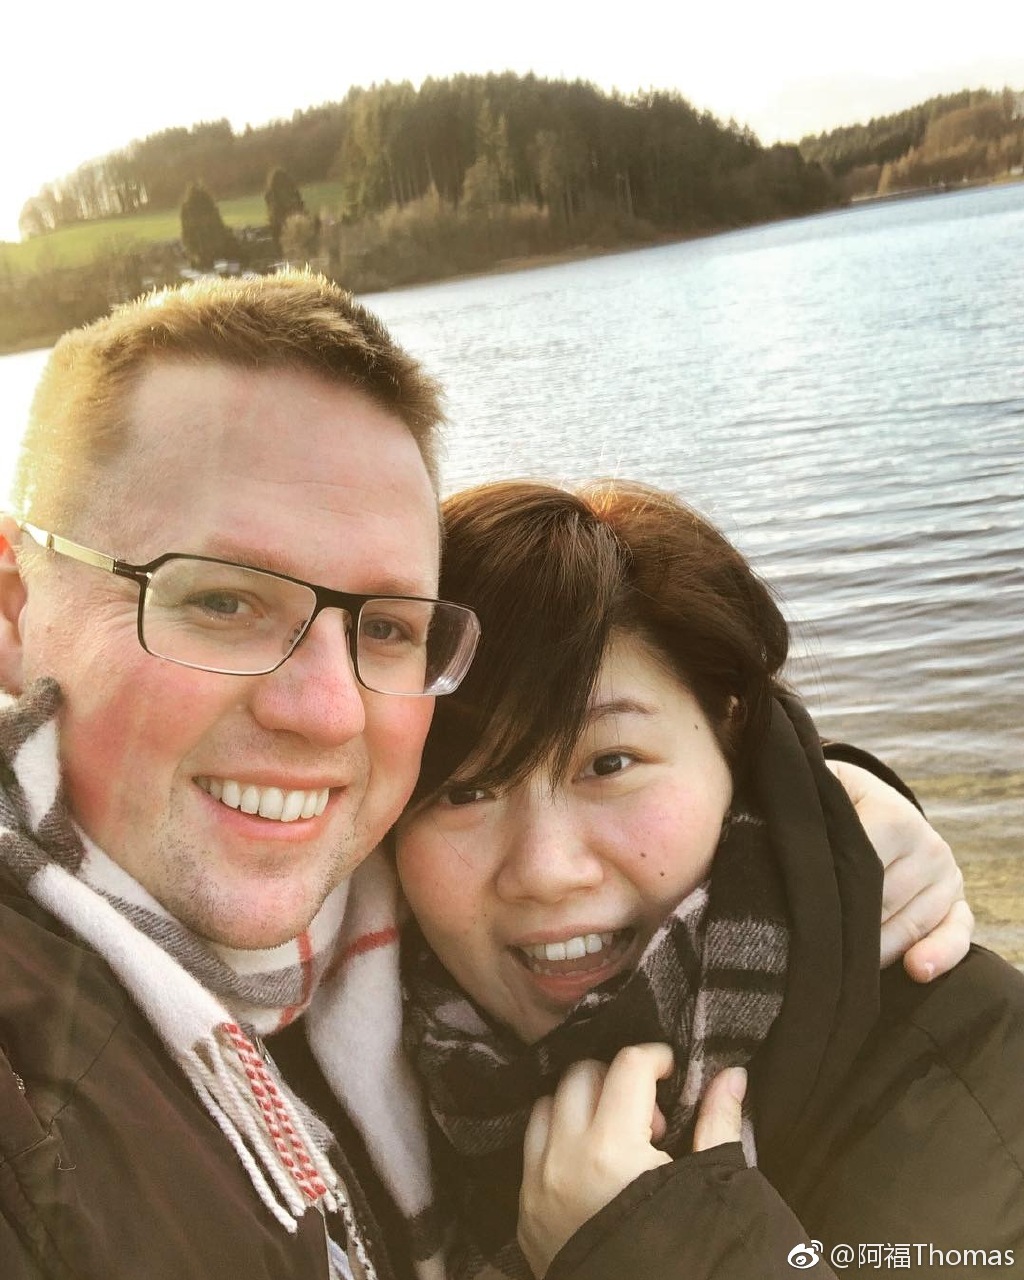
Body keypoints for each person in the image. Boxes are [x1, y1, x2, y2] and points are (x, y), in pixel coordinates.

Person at [0, 274, 970, 1280]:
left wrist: (822, 822)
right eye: (218, 601)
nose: (328, 712)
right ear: (16, 608)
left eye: (386, 626)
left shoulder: (401, 979)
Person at [394, 479, 1024, 1280]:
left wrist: (657, 1253)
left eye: (609, 764)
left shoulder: (966, 1055)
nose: (546, 871)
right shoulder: (333, 1040)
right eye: (463, 792)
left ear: (731, 734)